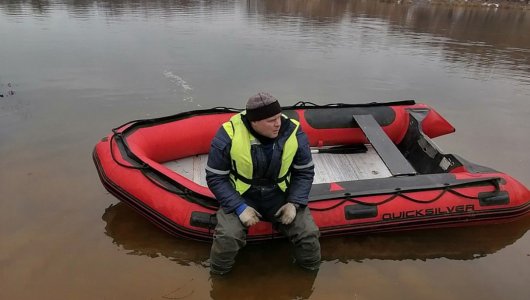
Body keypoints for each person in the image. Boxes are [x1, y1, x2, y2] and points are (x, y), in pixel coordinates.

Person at [205, 92, 321, 275]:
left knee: (308, 233)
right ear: (254, 122)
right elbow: (215, 177)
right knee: (227, 236)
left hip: (280, 194)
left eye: (278, 117)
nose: (278, 123)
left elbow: (304, 172)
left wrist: (294, 202)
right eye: (271, 120)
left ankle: (310, 272)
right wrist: (239, 207)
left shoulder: (293, 131)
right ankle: (218, 278)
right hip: (242, 195)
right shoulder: (228, 134)